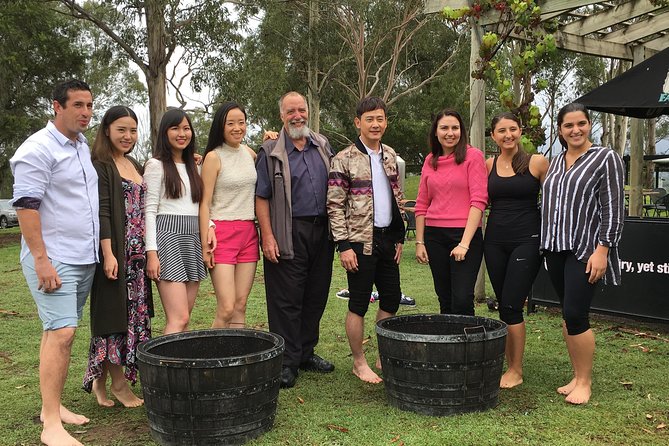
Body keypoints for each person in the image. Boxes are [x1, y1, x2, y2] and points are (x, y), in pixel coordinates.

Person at [10, 79, 98, 446]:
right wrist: (42, 261)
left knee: (57, 332)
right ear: (56, 107)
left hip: (83, 256)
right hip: (55, 257)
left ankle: (54, 405)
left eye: (90, 105)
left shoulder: (81, 147)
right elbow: (25, 207)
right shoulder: (37, 148)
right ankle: (50, 426)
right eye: (78, 105)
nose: (86, 112)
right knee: (63, 333)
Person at [541, 102, 624, 404]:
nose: (575, 130)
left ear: (590, 124)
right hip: (556, 248)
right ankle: (576, 375)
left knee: (577, 314)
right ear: (560, 130)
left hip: (586, 249)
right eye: (568, 125)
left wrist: (603, 249)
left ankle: (585, 382)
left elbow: (613, 208)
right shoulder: (556, 159)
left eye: (581, 124)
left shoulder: (605, 158)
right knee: (567, 314)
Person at [255, 91, 335, 388]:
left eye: (301, 109)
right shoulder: (270, 151)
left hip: (322, 232)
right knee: (286, 300)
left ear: (308, 111)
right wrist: (268, 237)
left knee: (315, 295)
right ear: (282, 116)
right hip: (287, 231)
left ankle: (305, 353)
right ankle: (286, 362)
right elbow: (261, 197)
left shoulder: (322, 145)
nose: (297, 115)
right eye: (291, 111)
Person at [327, 96, 405, 384]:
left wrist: (399, 237)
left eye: (380, 118)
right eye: (369, 119)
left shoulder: (390, 156)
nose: (375, 124)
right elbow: (334, 205)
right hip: (359, 242)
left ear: (386, 122)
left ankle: (382, 355)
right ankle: (359, 362)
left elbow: (397, 198)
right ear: (358, 122)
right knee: (358, 303)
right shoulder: (344, 158)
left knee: (392, 298)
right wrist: (343, 245)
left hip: (388, 239)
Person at [82, 106, 152, 408]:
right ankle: (119, 385)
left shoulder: (133, 163)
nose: (128, 136)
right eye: (121, 129)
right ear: (107, 129)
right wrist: (108, 254)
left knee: (131, 317)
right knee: (113, 319)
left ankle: (100, 380)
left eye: (133, 130)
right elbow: (103, 213)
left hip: (137, 257)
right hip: (116, 254)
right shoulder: (100, 165)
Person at [483, 112, 549, 389]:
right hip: (495, 241)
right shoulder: (489, 164)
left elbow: (556, 200)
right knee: (503, 305)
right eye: (501, 131)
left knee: (512, 303)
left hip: (527, 240)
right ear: (493, 136)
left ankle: (516, 370)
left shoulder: (537, 162)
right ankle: (509, 362)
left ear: (520, 131)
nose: (507, 135)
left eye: (512, 129)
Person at [414, 109, 488, 315]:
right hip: (434, 236)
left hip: (465, 235)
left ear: (461, 131)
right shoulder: (430, 160)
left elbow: (479, 201)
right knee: (445, 298)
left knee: (462, 299)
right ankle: (449, 346)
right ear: (436, 132)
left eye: (455, 128)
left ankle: (468, 345)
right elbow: (421, 204)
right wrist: (420, 242)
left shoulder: (473, 156)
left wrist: (464, 244)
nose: (450, 133)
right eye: (444, 128)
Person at [144, 109, 207, 334]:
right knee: (178, 319)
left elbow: (199, 205)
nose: (182, 133)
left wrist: (209, 228)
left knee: (184, 319)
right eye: (175, 128)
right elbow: (149, 211)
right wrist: (152, 253)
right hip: (168, 240)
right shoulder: (155, 165)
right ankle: (161, 368)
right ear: (165, 132)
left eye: (186, 128)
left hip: (192, 240)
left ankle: (177, 368)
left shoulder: (195, 166)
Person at [199, 102, 258, 328]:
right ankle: (211, 360)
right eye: (230, 123)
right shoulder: (214, 157)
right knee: (226, 307)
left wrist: (272, 137)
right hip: (222, 234)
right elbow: (204, 203)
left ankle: (235, 361)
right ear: (220, 127)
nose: (237, 128)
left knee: (240, 305)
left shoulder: (249, 153)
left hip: (249, 233)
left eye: (241, 123)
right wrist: (205, 240)